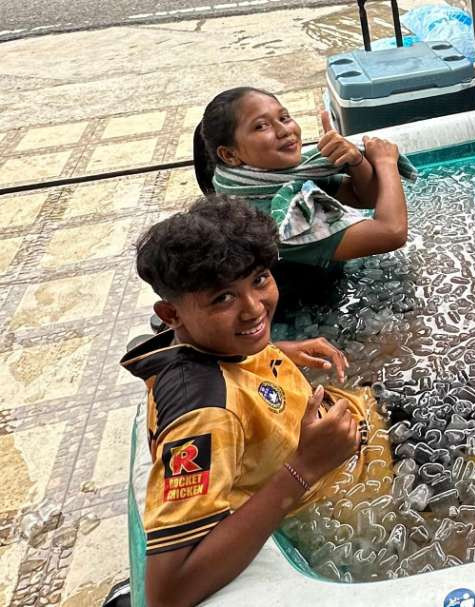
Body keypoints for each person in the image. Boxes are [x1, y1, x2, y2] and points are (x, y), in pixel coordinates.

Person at [121, 197, 392, 606]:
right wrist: (303, 468)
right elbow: (165, 592)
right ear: (171, 314)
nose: (254, 309)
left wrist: (273, 351)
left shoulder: (214, 345)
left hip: (357, 429)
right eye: (222, 299)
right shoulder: (203, 417)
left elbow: (221, 365)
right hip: (350, 500)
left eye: (260, 280)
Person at [194, 87, 410, 268]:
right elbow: (391, 233)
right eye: (261, 126)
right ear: (229, 154)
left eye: (284, 118)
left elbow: (365, 198)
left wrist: (355, 161)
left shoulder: (265, 180)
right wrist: (385, 162)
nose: (284, 131)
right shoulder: (281, 215)